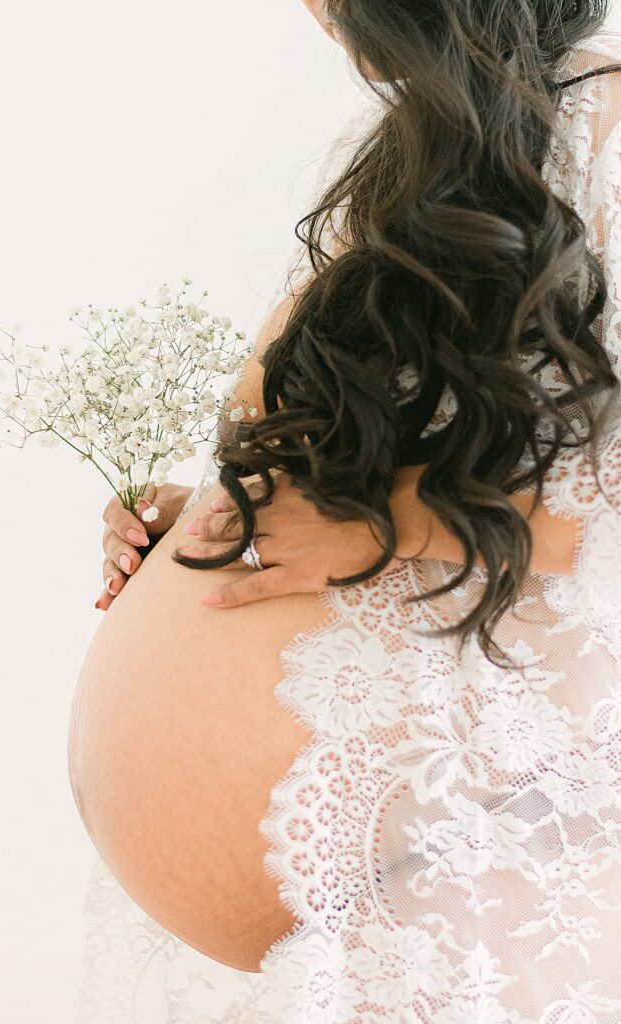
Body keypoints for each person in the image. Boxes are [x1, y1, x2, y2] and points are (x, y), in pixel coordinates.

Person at [73, 2, 621, 1021]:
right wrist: (212, 520)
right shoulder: (415, 154)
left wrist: (388, 523)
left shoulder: (612, 137)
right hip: (380, 888)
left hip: (489, 850)